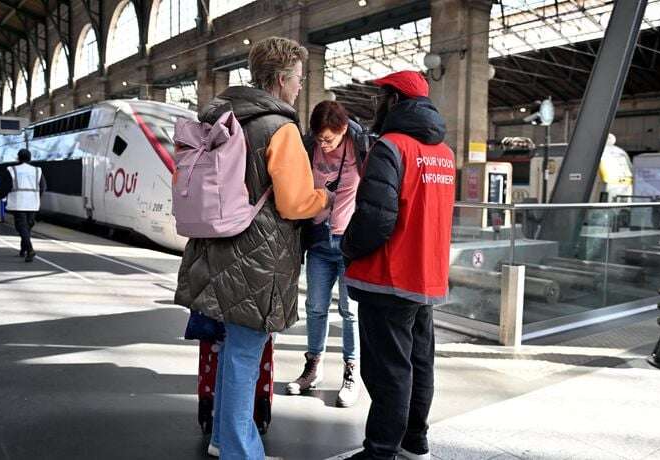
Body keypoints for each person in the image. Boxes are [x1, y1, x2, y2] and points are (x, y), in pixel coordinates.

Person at [174, 36, 332, 460]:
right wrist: (326, 198)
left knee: (232, 352)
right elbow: (295, 202)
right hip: (257, 258)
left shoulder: (221, 116)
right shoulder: (279, 128)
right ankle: (242, 452)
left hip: (213, 247)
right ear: (281, 80)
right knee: (245, 355)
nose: (301, 86)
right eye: (299, 78)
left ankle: (225, 439)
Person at [341, 71, 456, 460]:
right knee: (419, 362)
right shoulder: (445, 153)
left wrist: (349, 247)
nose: (376, 103)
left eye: (380, 95)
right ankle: (414, 441)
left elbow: (376, 217)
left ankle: (380, 452)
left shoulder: (391, 147)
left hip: (388, 278)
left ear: (393, 100)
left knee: (388, 371)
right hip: (427, 276)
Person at [286, 101, 368, 407]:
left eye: (329, 139)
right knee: (316, 307)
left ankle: (351, 372)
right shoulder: (310, 146)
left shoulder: (361, 146)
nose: (324, 144)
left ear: (344, 130)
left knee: (350, 312)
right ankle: (313, 367)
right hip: (319, 241)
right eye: (319, 138)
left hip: (348, 242)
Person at [0, 148, 46, 262]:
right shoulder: (37, 170)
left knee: (21, 226)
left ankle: (30, 250)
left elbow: (5, 186)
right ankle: (23, 249)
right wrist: (36, 198)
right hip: (33, 203)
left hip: (18, 203)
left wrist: (1, 196)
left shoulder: (11, 169)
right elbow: (43, 187)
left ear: (18, 158)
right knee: (27, 226)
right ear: (30, 158)